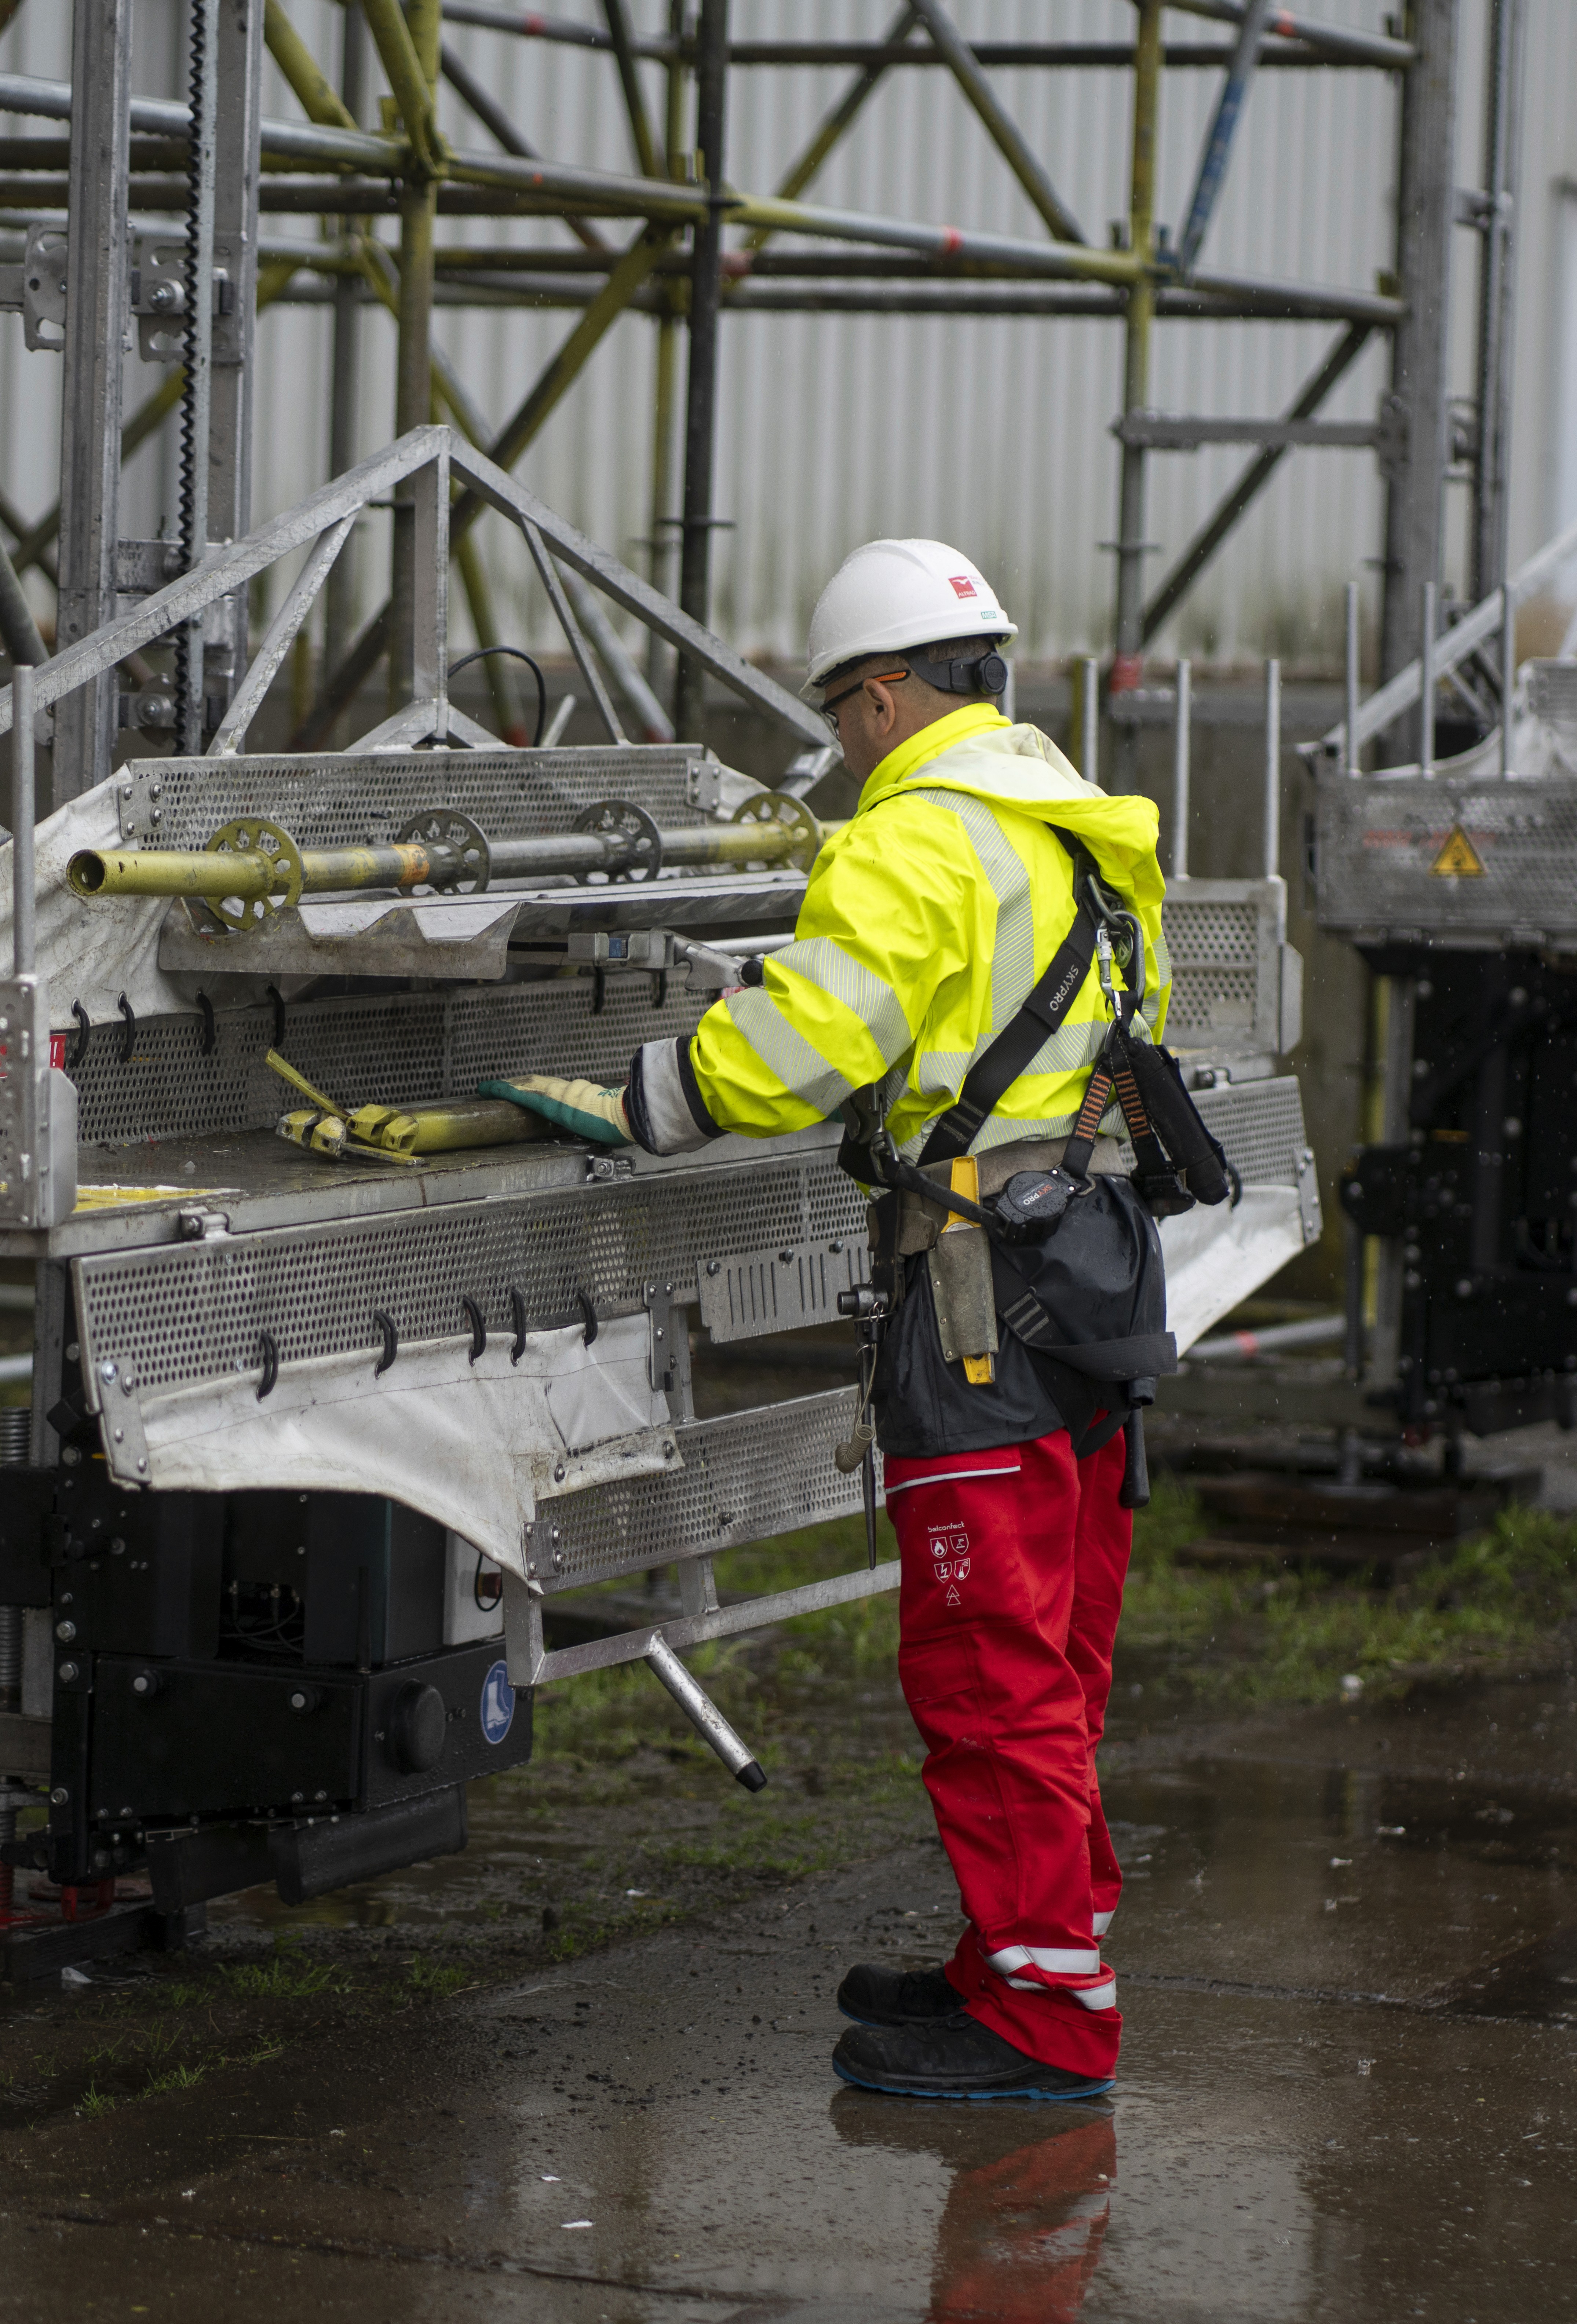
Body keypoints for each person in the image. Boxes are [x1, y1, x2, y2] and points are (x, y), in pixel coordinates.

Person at [489, 538, 1172, 2102]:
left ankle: (1049, 2023)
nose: (841, 749)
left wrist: (649, 1094)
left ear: (875, 700)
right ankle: (1024, 1953)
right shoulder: (1068, 825)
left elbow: (807, 1046)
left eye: (838, 717)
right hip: (1088, 1276)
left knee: (987, 1667)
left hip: (980, 1295)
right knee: (1051, 1657)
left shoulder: (914, 838)